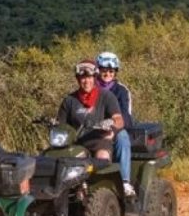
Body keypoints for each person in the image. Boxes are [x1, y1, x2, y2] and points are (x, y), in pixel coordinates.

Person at [56, 60, 123, 162]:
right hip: (77, 143)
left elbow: (119, 120)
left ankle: (104, 178)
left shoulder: (107, 96)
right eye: (83, 78)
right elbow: (60, 124)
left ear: (95, 78)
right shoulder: (69, 100)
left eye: (90, 77)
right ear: (78, 79)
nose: (87, 81)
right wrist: (54, 126)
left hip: (100, 141)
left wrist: (112, 128)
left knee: (102, 158)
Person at [96, 50, 136, 197]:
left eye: (111, 71)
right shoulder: (90, 88)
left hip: (116, 128)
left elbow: (127, 116)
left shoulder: (122, 91)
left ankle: (125, 181)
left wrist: (113, 125)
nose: (107, 74)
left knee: (123, 139)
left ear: (115, 72)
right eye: (104, 70)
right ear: (98, 70)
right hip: (93, 127)